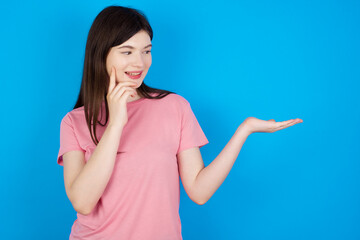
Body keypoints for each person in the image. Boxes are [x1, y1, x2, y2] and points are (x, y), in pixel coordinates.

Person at [57, 5, 303, 240]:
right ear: (101, 53)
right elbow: (83, 202)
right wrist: (115, 124)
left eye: (146, 51)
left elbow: (199, 190)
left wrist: (245, 130)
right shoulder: (74, 122)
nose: (140, 63)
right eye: (127, 51)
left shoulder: (174, 107)